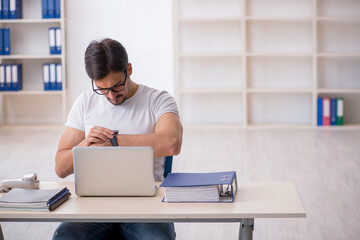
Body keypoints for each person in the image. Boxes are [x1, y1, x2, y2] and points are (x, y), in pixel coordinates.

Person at [52, 38, 183, 240]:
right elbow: (61, 168)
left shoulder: (157, 100)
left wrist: (113, 141)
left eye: (116, 87)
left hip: (146, 208)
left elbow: (172, 143)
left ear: (129, 70)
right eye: (102, 89)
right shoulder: (85, 103)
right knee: (64, 236)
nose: (111, 96)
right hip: (93, 207)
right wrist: (85, 145)